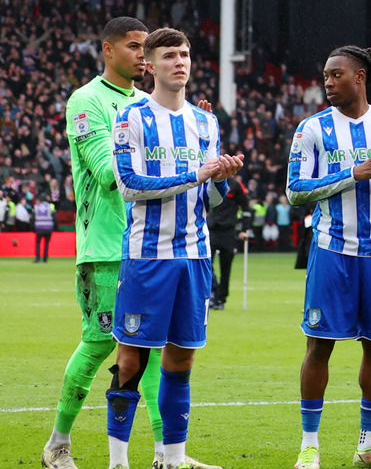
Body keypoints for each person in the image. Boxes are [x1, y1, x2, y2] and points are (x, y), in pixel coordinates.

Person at [107, 28, 245, 469]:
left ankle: (172, 457)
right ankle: (118, 460)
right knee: (130, 358)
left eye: (184, 53)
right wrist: (197, 175)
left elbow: (215, 197)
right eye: (168, 55)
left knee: (182, 356)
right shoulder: (130, 118)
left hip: (195, 256)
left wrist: (222, 175)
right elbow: (129, 187)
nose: (179, 61)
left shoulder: (206, 123)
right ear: (149, 65)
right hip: (147, 256)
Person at [43, 18, 170, 469]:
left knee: (153, 352)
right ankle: (57, 444)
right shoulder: (86, 100)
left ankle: (163, 453)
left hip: (150, 246)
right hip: (105, 247)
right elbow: (104, 170)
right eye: (134, 46)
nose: (143, 55)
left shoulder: (150, 103)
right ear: (108, 50)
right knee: (99, 346)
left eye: (146, 48)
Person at [287, 46, 371, 469]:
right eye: (325, 75)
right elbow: (294, 191)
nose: (327, 82)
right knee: (319, 345)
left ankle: (369, 445)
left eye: (336, 74)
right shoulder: (312, 129)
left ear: (359, 77)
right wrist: (351, 174)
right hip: (331, 251)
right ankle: (310, 446)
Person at [206, 179, 250, 310]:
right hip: (212, 229)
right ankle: (214, 291)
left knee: (226, 268)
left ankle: (221, 298)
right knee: (206, 263)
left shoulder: (236, 185)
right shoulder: (210, 181)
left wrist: (244, 229)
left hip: (228, 231)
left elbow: (246, 207)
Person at [34, 194, 55, 262]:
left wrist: (33, 228)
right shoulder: (51, 206)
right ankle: (45, 258)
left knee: (38, 243)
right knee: (46, 244)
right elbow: (54, 218)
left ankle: (37, 258)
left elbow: (33, 218)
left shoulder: (36, 207)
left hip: (39, 228)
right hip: (48, 228)